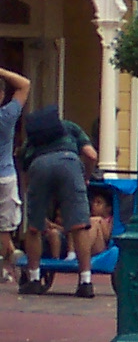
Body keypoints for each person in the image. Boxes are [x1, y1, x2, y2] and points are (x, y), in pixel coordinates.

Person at [21, 104, 97, 297]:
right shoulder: (71, 128)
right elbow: (91, 155)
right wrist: (86, 176)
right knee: (79, 226)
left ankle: (34, 279)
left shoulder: (33, 139)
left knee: (34, 228)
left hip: (38, 166)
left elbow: (24, 167)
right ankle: (85, 282)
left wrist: (29, 194)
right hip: (69, 163)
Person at [0, 66, 26, 283]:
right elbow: (24, 84)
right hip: (6, 176)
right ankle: (13, 258)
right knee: (5, 226)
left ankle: (8, 258)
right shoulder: (7, 116)